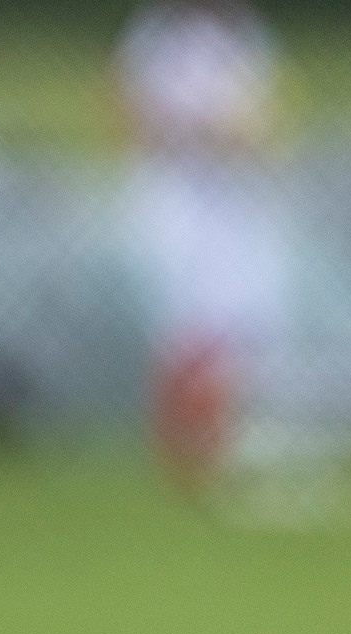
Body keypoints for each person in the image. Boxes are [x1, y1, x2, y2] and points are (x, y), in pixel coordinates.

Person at [115, 0, 286, 492]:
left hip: (232, 204)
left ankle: (216, 444)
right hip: (176, 202)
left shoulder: (244, 38)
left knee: (230, 327)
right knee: (181, 326)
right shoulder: (156, 38)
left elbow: (262, 122)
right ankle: (180, 449)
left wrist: (238, 138)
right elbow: (136, 119)